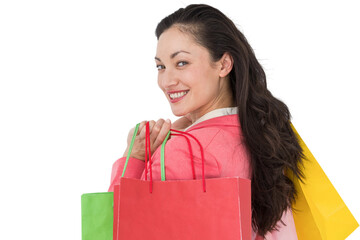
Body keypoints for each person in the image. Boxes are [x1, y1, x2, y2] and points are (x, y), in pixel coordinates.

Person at [108, 4, 304, 239]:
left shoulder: (183, 150)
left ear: (223, 64)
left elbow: (112, 229)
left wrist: (135, 156)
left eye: (181, 63)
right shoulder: (263, 132)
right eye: (160, 66)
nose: (167, 81)